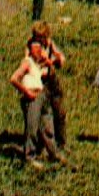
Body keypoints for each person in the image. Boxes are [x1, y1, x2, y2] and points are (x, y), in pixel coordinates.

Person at [8, 46, 59, 168]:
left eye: (41, 50)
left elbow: (50, 74)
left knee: (47, 126)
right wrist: (26, 92)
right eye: (38, 50)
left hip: (41, 96)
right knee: (32, 127)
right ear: (32, 51)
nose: (41, 52)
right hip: (32, 97)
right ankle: (29, 157)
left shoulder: (37, 66)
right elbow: (14, 78)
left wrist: (49, 63)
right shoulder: (27, 62)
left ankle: (53, 153)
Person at [28, 21, 68, 153]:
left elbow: (60, 58)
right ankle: (44, 145)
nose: (40, 40)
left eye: (42, 37)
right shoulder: (31, 45)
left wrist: (58, 59)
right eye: (37, 36)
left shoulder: (49, 43)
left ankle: (62, 142)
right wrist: (46, 61)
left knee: (60, 112)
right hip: (40, 82)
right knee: (44, 115)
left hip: (52, 81)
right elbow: (34, 62)